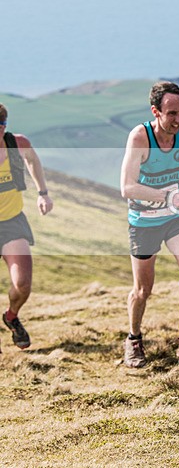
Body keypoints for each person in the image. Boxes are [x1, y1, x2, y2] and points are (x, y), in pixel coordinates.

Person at [120, 81, 179, 367]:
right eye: (172, 113)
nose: (178, 120)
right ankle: (134, 340)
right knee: (143, 290)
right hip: (144, 221)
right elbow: (127, 187)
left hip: (175, 218)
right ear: (155, 111)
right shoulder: (140, 137)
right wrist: (168, 195)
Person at [0, 104, 54, 353]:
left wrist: (42, 193)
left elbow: (32, 159)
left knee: (22, 285)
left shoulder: (16, 143)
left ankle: (11, 317)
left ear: (3, 127)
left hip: (11, 222)